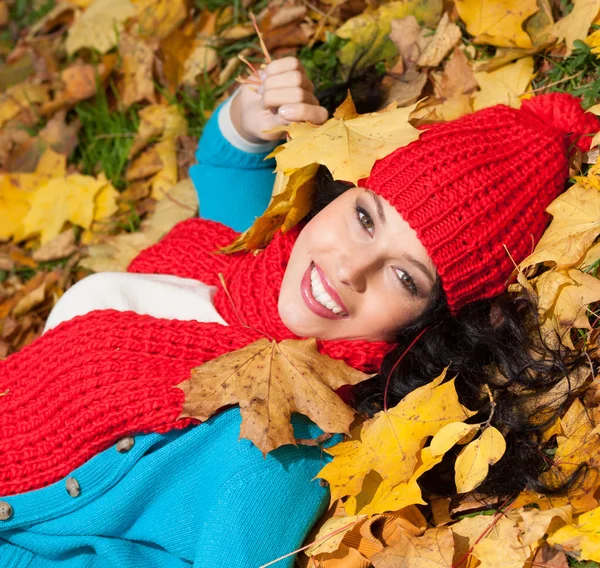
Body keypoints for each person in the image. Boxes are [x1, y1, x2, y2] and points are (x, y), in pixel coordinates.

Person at [0, 56, 598, 567]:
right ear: (347, 189)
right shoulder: (255, 249)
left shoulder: (281, 439)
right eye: (366, 217)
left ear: (430, 321)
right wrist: (249, 114)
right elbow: (227, 168)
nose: (348, 269)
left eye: (403, 276)